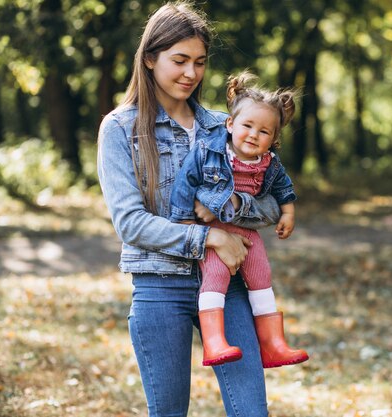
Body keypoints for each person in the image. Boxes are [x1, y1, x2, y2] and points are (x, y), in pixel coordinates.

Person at [97, 2, 283, 416]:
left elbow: (273, 200)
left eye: (199, 62)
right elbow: (130, 223)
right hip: (159, 286)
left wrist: (230, 206)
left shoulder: (225, 125)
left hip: (227, 286)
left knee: (251, 410)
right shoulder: (120, 129)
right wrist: (211, 236)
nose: (190, 73)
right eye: (179, 60)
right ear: (149, 58)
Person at [169, 71, 309, 369]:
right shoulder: (209, 151)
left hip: (247, 232)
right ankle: (215, 340)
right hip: (214, 232)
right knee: (216, 277)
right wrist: (185, 222)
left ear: (273, 138)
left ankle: (273, 344)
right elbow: (185, 183)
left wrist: (288, 212)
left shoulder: (269, 162)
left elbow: (283, 188)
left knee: (262, 275)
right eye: (247, 126)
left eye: (264, 132)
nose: (254, 135)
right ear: (230, 124)